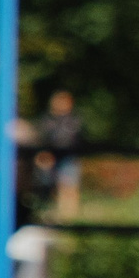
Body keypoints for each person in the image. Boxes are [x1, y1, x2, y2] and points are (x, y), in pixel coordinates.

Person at [33, 88, 84, 217]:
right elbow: (41, 139)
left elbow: (79, 139)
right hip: (51, 158)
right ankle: (54, 214)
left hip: (69, 157)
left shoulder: (74, 120)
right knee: (50, 187)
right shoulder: (47, 120)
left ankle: (68, 216)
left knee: (69, 186)